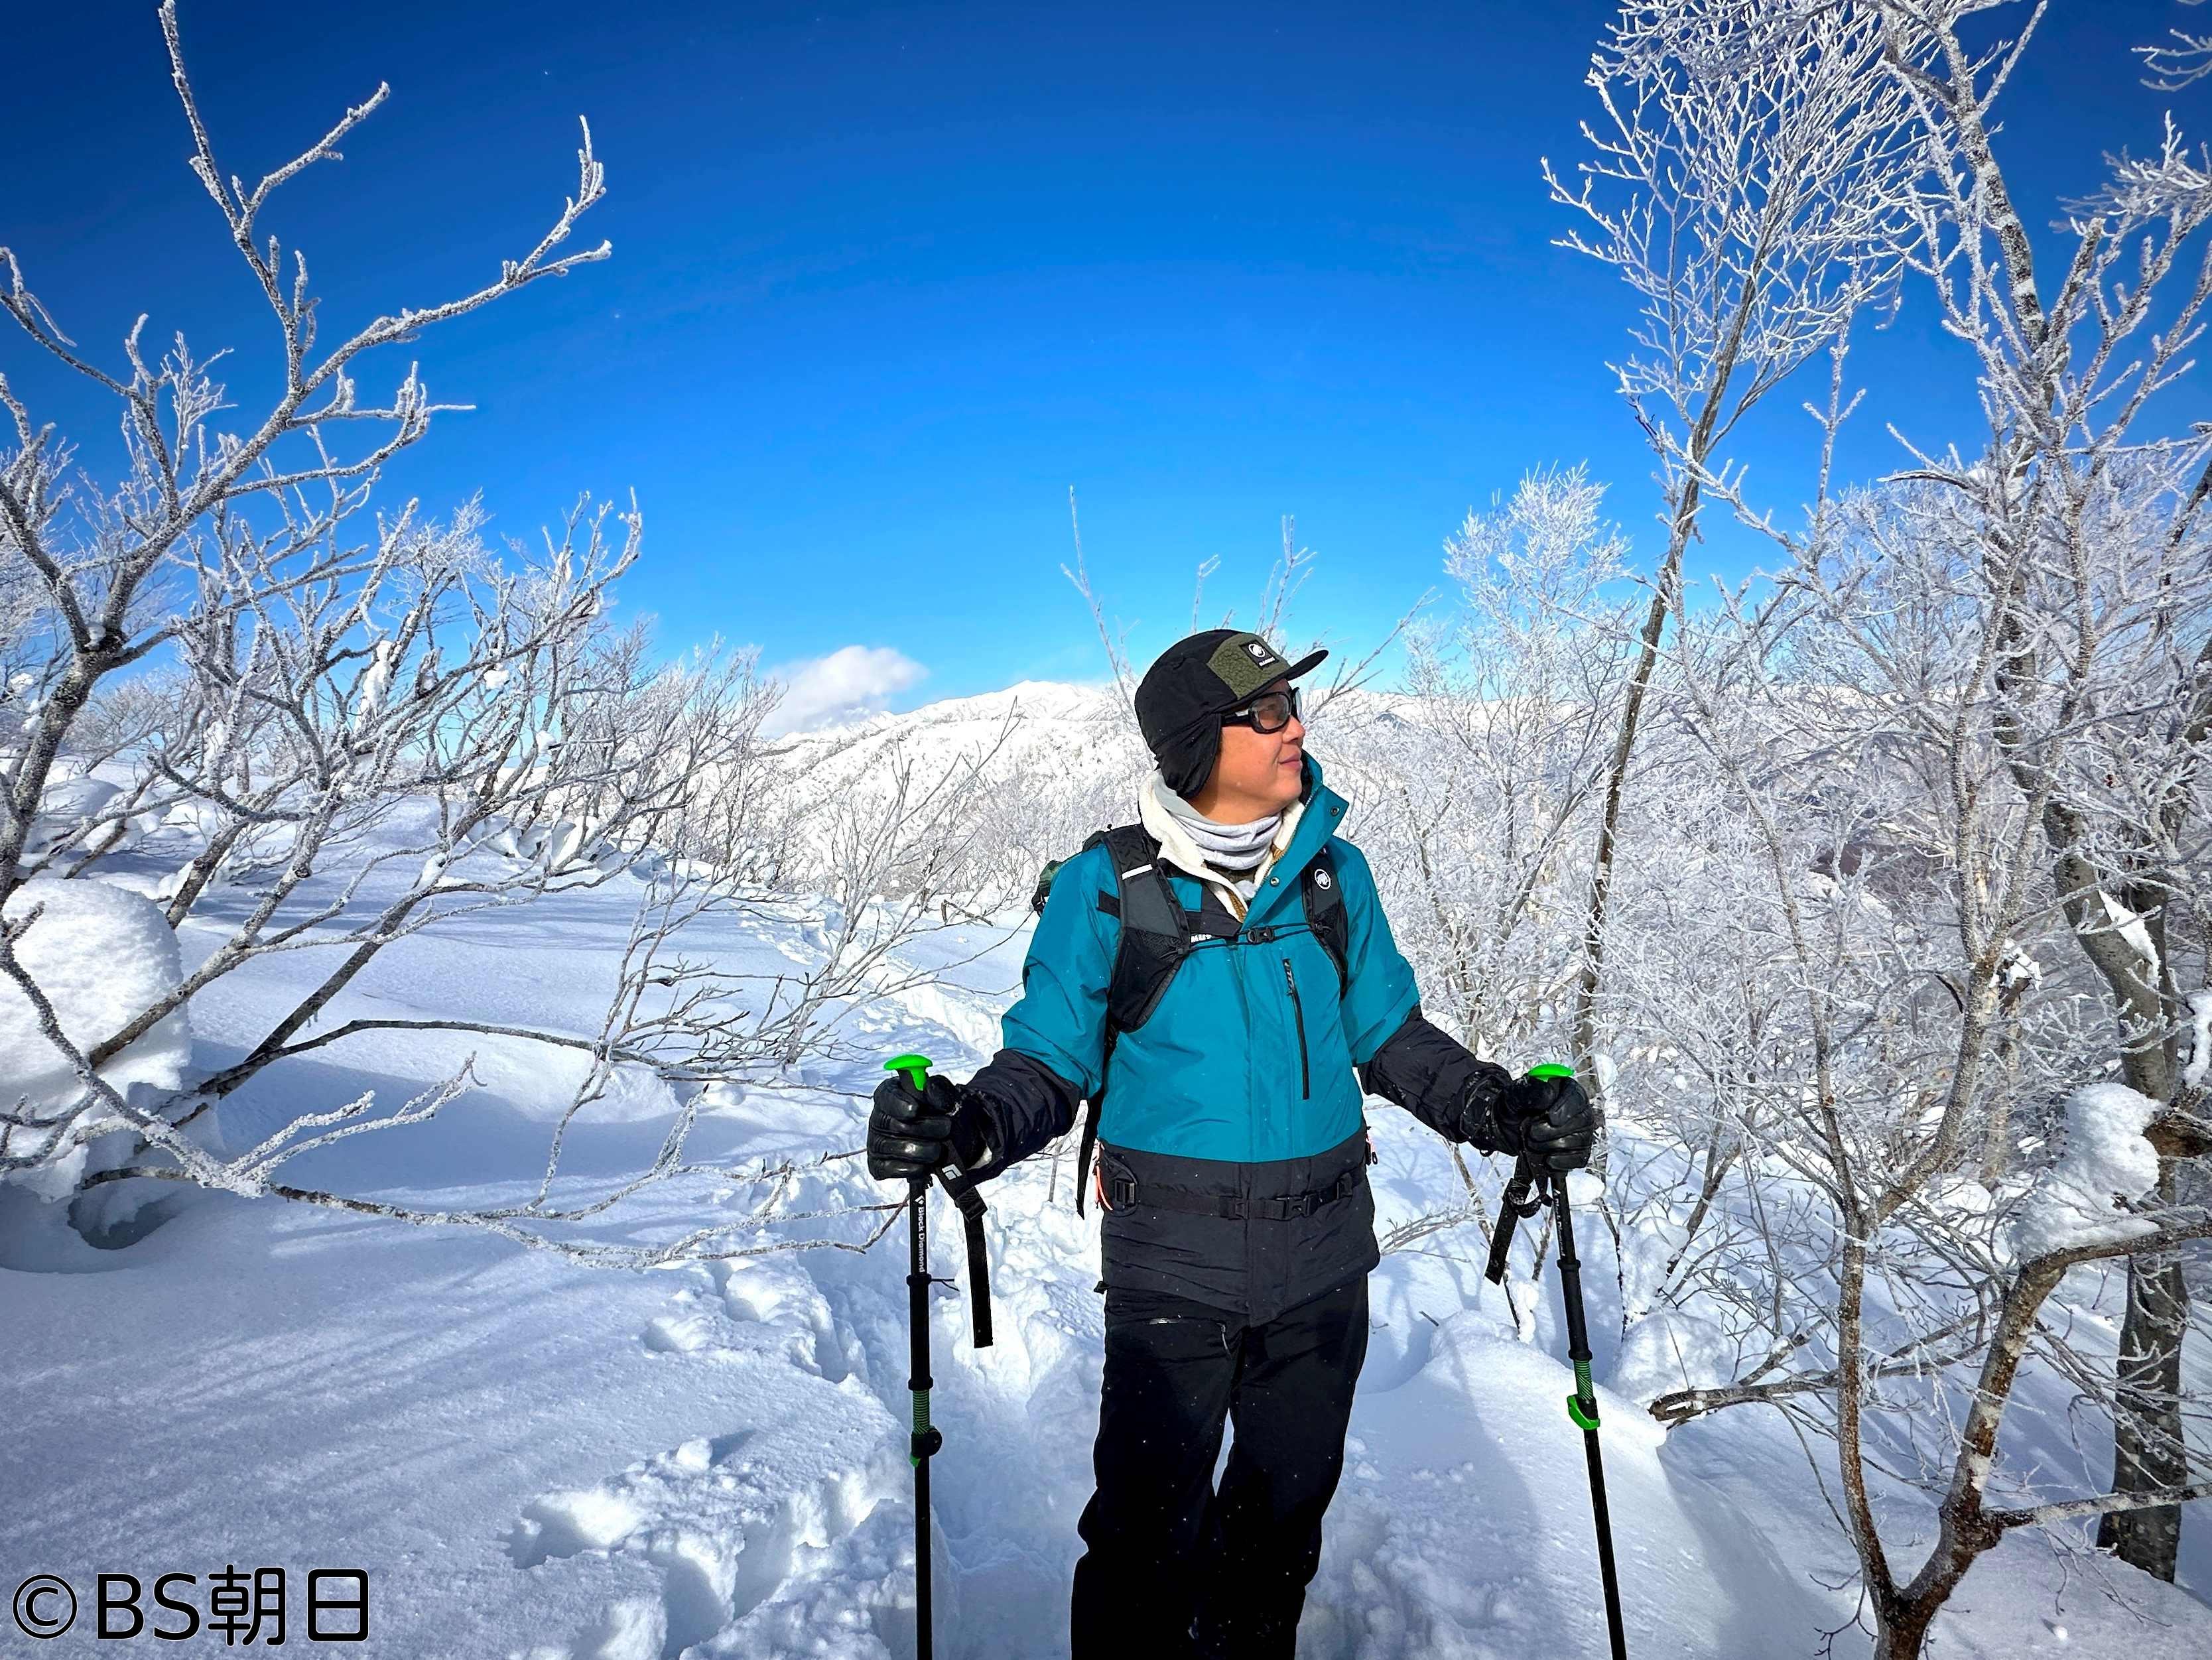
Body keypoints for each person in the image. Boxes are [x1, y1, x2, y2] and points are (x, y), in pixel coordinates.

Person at [866, 628, 1596, 1659]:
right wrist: (966, 1125)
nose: (1295, 726)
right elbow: (1050, 1060)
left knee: (1281, 1527)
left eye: (1291, 706)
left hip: (1325, 1267)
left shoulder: (1335, 877)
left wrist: (1502, 1109)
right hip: (1176, 1271)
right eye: (1267, 713)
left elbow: (1386, 1033)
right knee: (1143, 1538)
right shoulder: (1110, 887)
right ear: (1201, 742)